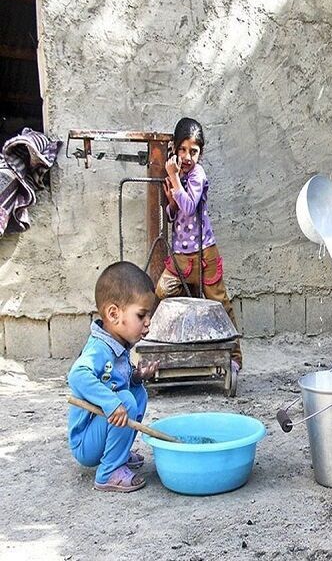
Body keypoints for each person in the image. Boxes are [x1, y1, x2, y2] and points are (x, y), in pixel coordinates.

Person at [155, 117, 242, 372]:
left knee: (220, 304)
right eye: (182, 150)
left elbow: (190, 206)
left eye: (193, 151)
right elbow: (174, 213)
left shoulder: (196, 175)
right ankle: (184, 352)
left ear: (200, 153)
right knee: (163, 292)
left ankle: (234, 357)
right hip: (181, 256)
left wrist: (173, 178)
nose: (187, 156)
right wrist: (170, 200)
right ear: (174, 148)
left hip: (204, 253)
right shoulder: (177, 174)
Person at [67, 261, 159, 492]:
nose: (148, 323)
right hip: (85, 442)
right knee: (125, 401)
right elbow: (77, 375)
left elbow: (117, 382)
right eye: (141, 315)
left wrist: (136, 377)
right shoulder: (99, 349)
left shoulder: (119, 345)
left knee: (137, 394)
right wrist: (111, 403)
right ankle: (108, 472)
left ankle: (117, 453)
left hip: (101, 431)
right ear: (113, 314)